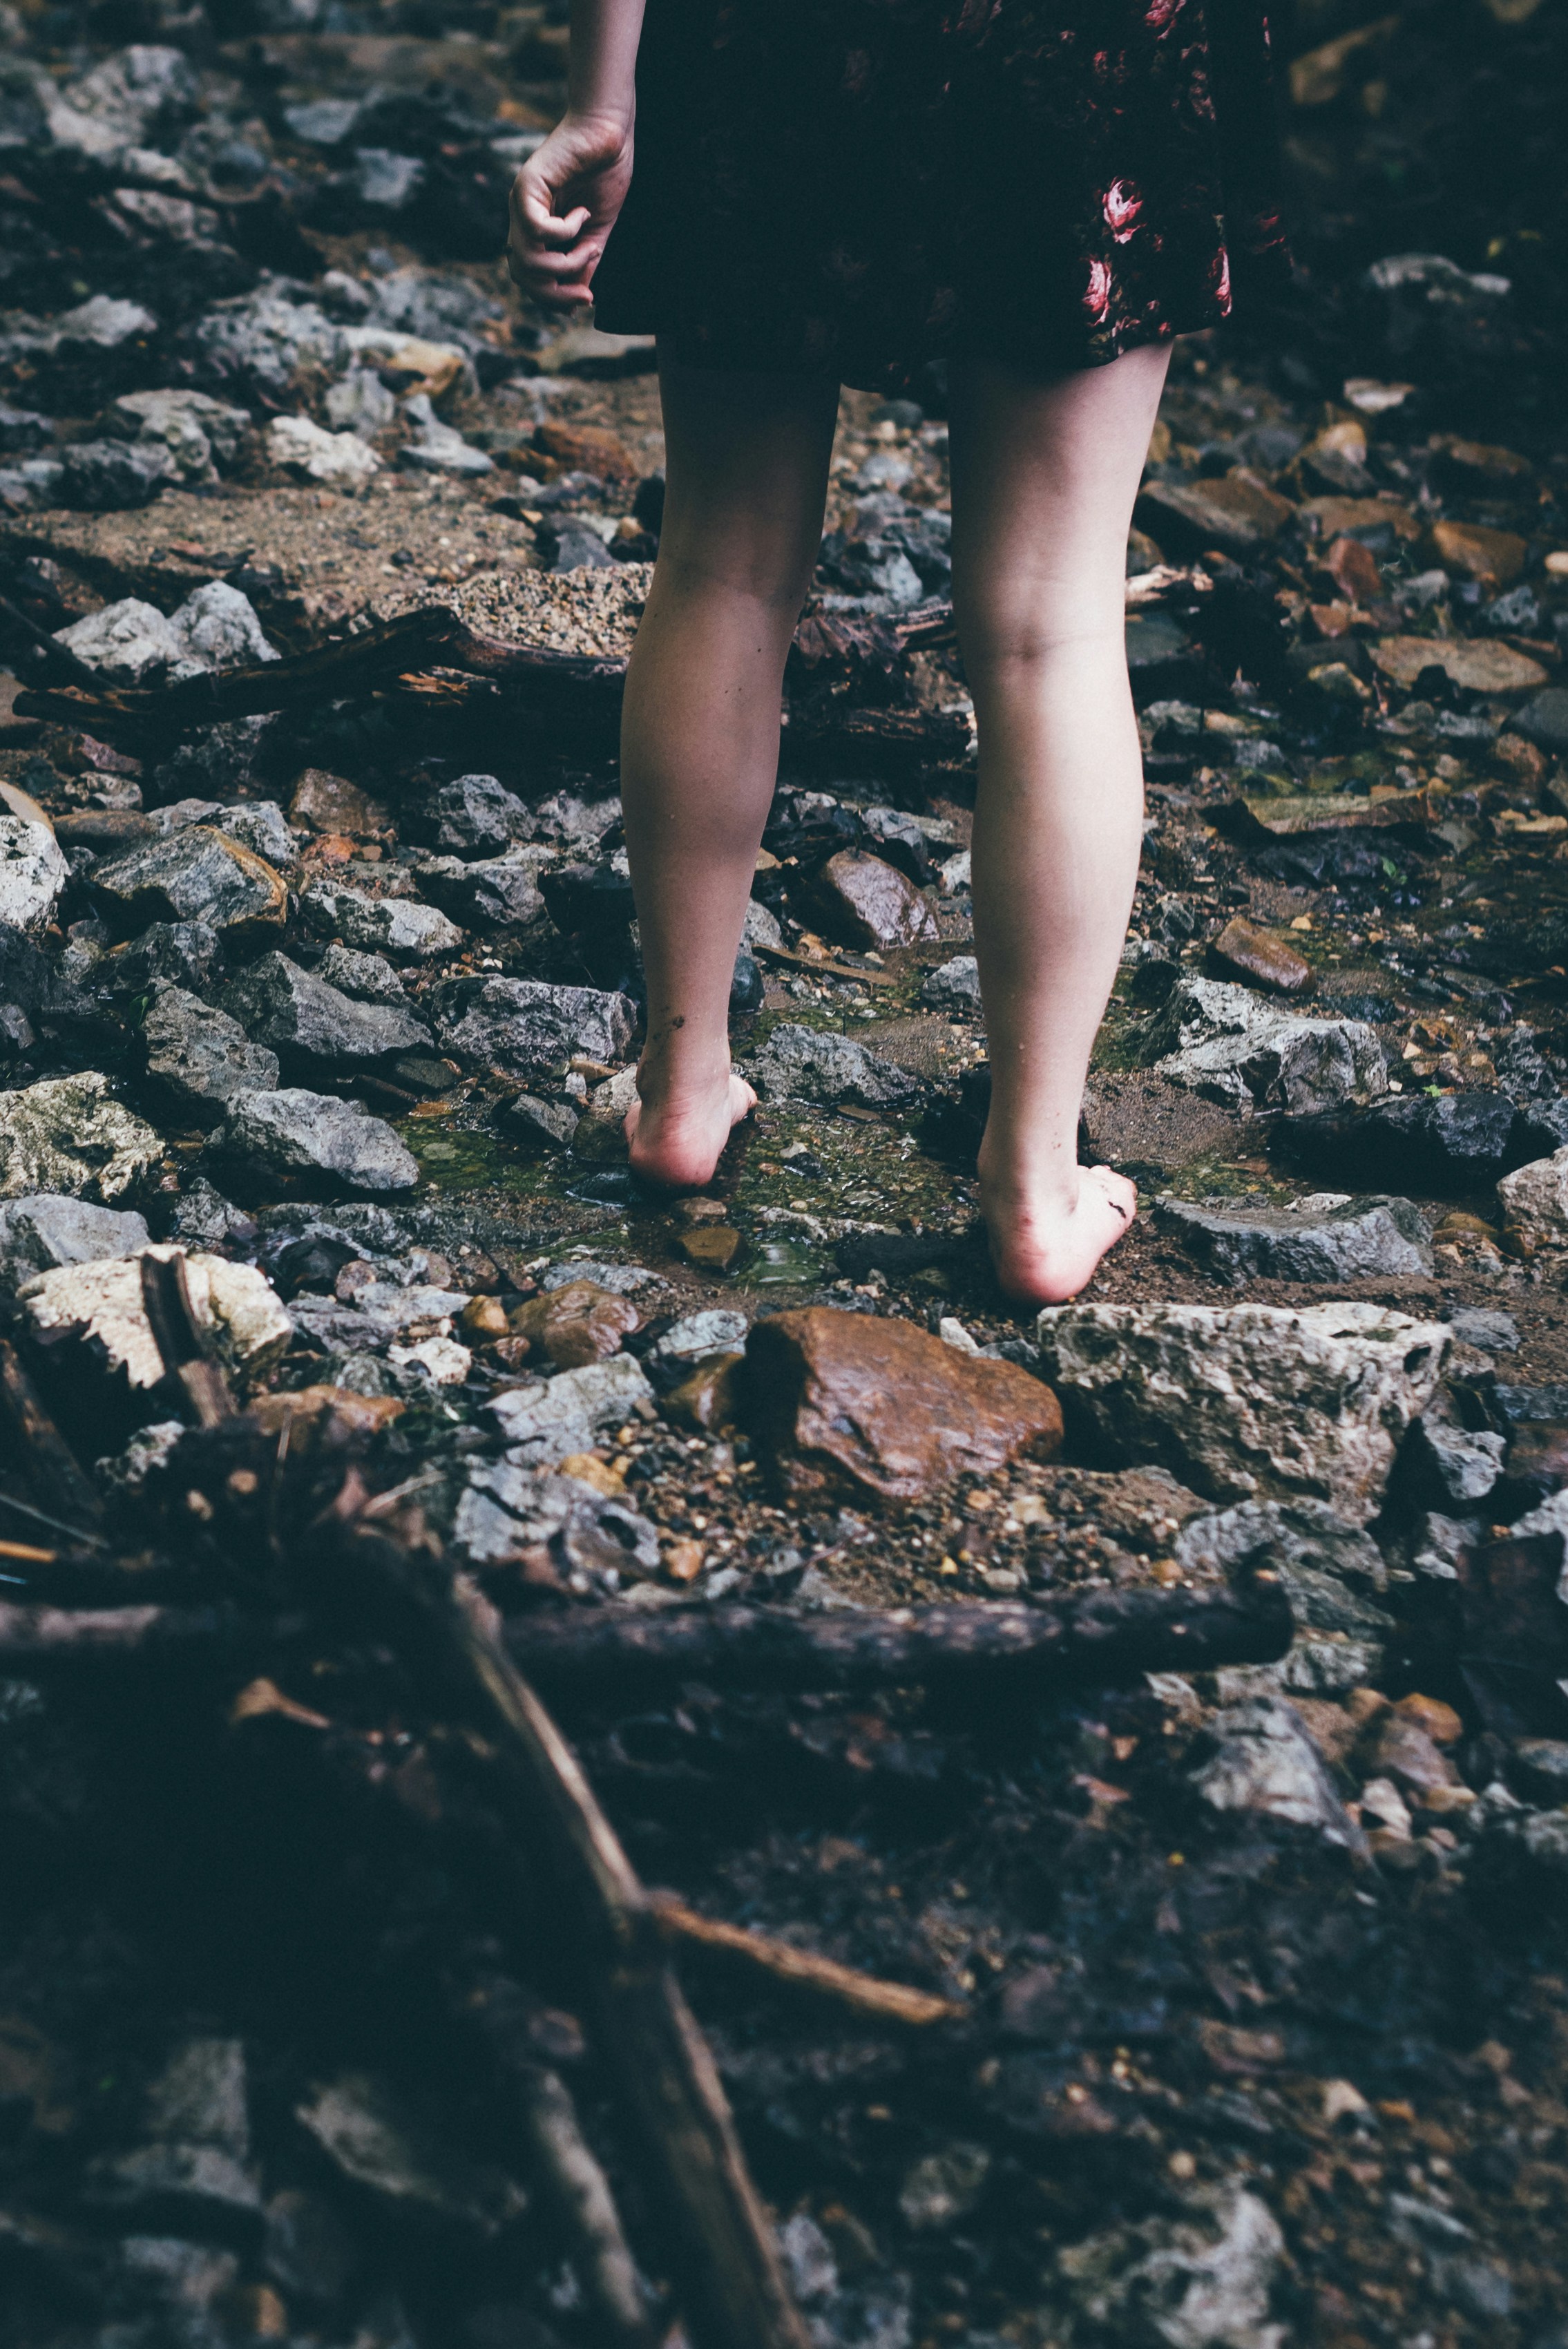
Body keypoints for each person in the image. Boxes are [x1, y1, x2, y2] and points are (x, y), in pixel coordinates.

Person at [508, 0, 1289, 1304]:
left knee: (722, 563)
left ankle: (679, 1094)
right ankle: (1034, 1190)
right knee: (1051, 626)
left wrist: (604, 96)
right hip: (1084, 47)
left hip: (775, 40)